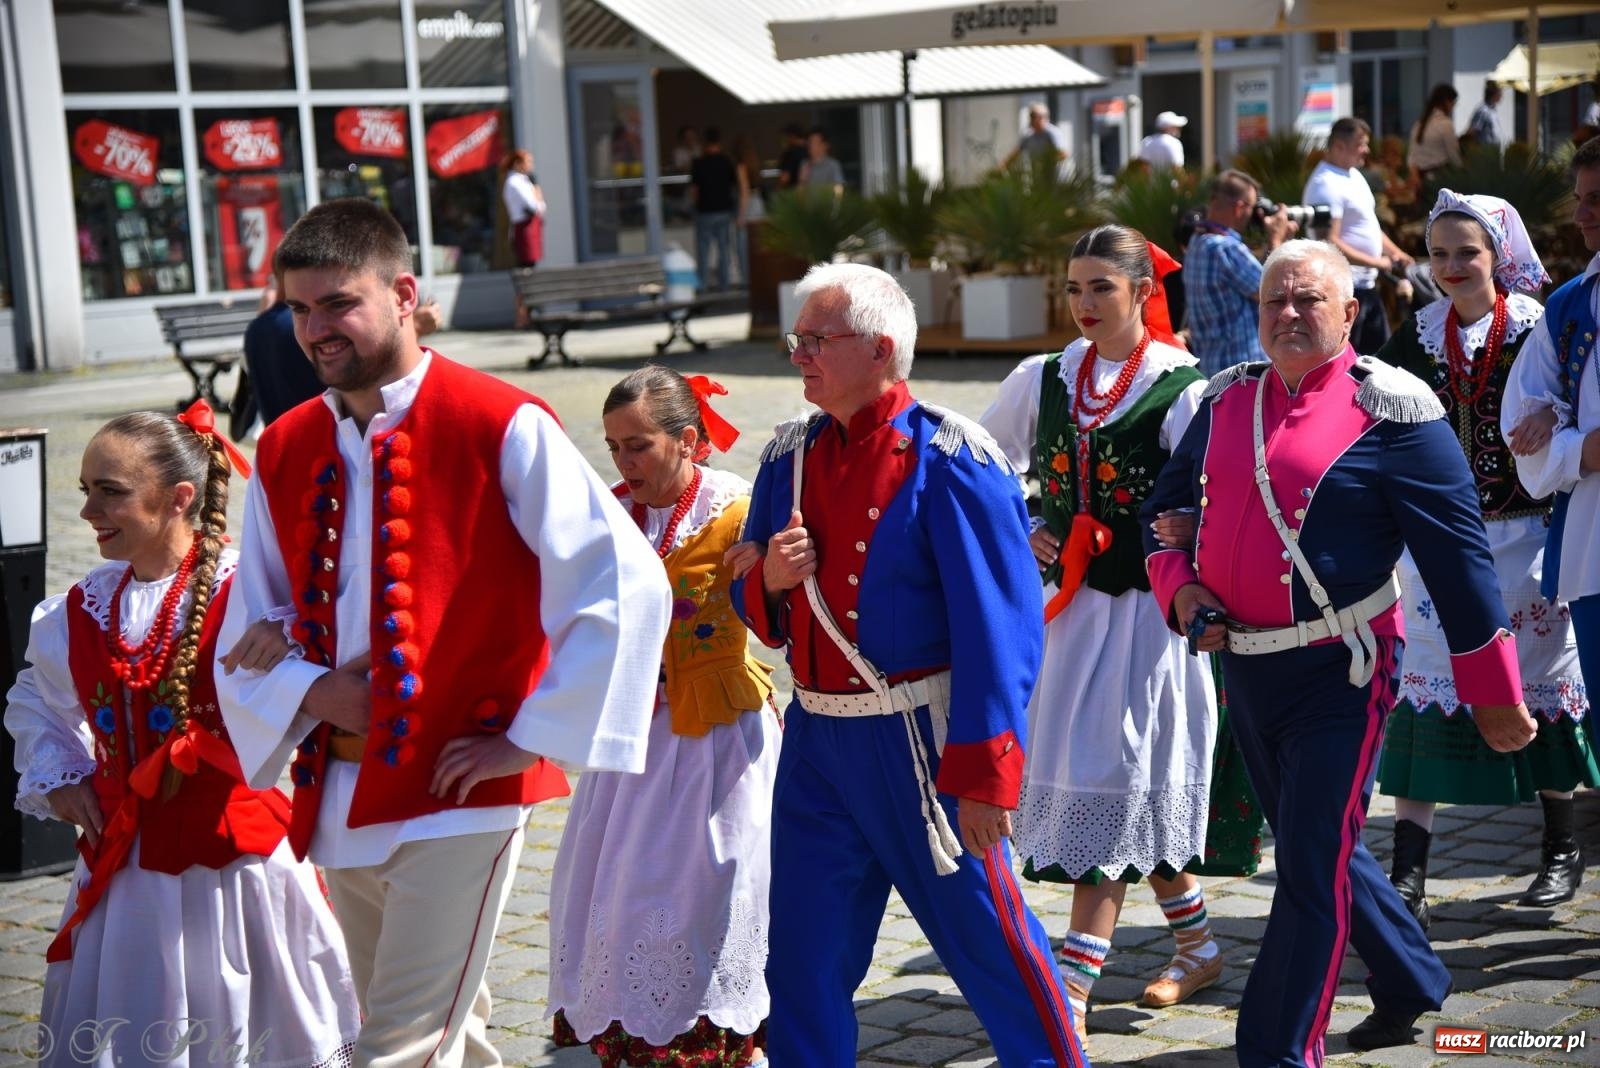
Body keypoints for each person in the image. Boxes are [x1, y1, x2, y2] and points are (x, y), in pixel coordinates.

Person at [215, 197, 672, 1066]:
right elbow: (250, 624)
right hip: (340, 791)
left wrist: (529, 738)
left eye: (339, 303)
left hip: (464, 788)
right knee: (446, 1032)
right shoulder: (284, 446)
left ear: (403, 294)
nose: (317, 330)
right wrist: (314, 689)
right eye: (300, 309)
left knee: (398, 1044)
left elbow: (621, 582)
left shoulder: (499, 419)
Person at [1141, 239, 1535, 1065]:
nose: (1287, 314)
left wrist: (1493, 690)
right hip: (1243, 666)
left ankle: (1278, 1050)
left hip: (1344, 668)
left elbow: (1458, 560)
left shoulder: (1395, 411)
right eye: (1272, 301)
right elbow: (1164, 517)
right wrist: (1183, 591)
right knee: (1319, 840)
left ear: (1350, 312)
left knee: (1308, 868)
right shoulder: (1222, 403)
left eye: (1307, 300)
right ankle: (1412, 977)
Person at [731, 263, 1086, 1066]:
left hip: (920, 744)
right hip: (817, 742)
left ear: (881, 348)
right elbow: (750, 603)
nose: (799, 355)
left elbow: (1003, 628)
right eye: (798, 339)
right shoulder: (788, 456)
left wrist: (987, 772)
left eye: (818, 340)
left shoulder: (952, 457)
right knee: (802, 963)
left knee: (991, 948)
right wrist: (770, 582)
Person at [4, 403, 360, 1065]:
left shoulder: (245, 601)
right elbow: (35, 702)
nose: (89, 512)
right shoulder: (78, 611)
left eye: (110, 492)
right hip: (122, 873)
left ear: (179, 499)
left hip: (232, 872)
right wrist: (61, 775)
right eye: (85, 492)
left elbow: (316, 691)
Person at [980, 225, 1223, 1035]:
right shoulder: (1044, 376)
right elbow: (983, 461)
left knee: (1116, 776)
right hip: (1068, 616)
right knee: (1107, 784)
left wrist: (1175, 537)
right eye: (1075, 288)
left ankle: (1071, 994)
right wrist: (1026, 520)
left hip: (1145, 621)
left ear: (1142, 293)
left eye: (1102, 289)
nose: (1084, 304)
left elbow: (1214, 496)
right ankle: (1196, 945)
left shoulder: (1180, 385)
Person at [1373, 189, 1594, 923]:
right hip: (1438, 544)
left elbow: (1572, 402)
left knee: (1540, 693)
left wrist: (1547, 417)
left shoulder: (1538, 325)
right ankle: (1410, 867)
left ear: (1498, 254)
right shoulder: (1418, 333)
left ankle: (1561, 849)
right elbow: (1378, 412)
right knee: (1426, 690)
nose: (1451, 266)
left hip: (1528, 535)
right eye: (1438, 254)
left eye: (1466, 252)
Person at [548, 366, 780, 1064]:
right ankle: (636, 1033)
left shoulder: (739, 510)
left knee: (712, 888)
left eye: (637, 446)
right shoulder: (612, 514)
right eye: (614, 446)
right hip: (632, 737)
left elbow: (778, 626)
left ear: (688, 441)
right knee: (620, 888)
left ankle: (727, 1037)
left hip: (716, 740)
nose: (622, 462)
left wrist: (772, 574)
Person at [1503, 135, 1600, 757]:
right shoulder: (1566, 310)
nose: (1584, 213)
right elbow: (1525, 440)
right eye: (1581, 198)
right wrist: (1584, 450)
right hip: (1593, 550)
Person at [242, 280, 442, 430]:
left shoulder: (257, 328)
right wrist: (414, 328)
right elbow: (372, 381)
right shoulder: (304, 329)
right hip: (325, 450)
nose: (314, 331)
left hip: (286, 447)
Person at [1304, 118, 1415, 355]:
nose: (1367, 150)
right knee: (1346, 364)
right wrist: (1379, 262)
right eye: (1361, 144)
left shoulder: (1353, 175)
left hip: (1366, 288)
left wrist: (1395, 253)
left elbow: (1369, 226)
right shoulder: (1325, 184)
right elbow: (1328, 243)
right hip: (1343, 290)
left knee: (1378, 362)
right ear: (1339, 146)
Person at [1183, 169, 1296, 376]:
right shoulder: (1225, 249)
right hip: (1244, 373)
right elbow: (1276, 291)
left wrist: (1273, 243)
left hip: (1214, 369)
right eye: (1253, 208)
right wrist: (1277, 240)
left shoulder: (1197, 242)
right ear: (1239, 208)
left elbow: (1253, 276)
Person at [690, 127, 738, 292]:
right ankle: (724, 285)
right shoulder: (727, 162)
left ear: (705, 143)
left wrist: (694, 207)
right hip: (724, 210)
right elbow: (733, 186)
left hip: (704, 210)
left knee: (703, 251)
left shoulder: (698, 163)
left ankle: (702, 285)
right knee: (723, 250)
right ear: (719, 143)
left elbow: (694, 190)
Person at [1407, 84, 1462, 181]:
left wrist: (1415, 177)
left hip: (1421, 178)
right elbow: (1454, 156)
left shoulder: (1418, 124)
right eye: (1453, 102)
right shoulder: (1445, 124)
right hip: (1440, 178)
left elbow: (1411, 157)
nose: (1453, 107)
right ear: (1446, 101)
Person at [501, 148, 545, 269]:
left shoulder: (524, 181)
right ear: (517, 164)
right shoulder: (514, 182)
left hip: (530, 225)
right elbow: (534, 205)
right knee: (526, 265)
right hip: (524, 227)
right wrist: (537, 192)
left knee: (532, 263)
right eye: (528, 162)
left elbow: (541, 207)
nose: (531, 165)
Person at [733, 133, 766, 287]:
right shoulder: (754, 162)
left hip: (748, 206)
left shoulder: (741, 166)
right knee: (758, 245)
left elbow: (744, 192)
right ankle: (759, 278)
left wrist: (740, 216)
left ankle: (747, 281)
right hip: (758, 203)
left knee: (743, 247)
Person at [1004, 103, 1069, 171]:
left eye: (1033, 116)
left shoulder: (1053, 133)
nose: (1031, 119)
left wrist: (1047, 162)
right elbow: (1015, 154)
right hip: (1038, 177)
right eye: (1031, 116)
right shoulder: (1028, 135)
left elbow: (1063, 154)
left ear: (1043, 117)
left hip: (1054, 178)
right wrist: (1001, 168)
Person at [798, 127, 844, 194]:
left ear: (825, 145)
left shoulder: (832, 165)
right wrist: (803, 180)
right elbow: (800, 192)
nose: (810, 145)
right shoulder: (804, 163)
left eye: (814, 142)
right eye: (809, 142)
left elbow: (838, 189)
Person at [1467, 80, 1504, 149]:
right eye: (1500, 92)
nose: (1502, 95)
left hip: (1492, 153)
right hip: (1484, 153)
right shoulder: (1483, 110)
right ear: (1494, 93)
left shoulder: (1492, 110)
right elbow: (1471, 132)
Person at [776, 122, 807, 189]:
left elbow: (784, 177)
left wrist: (778, 190)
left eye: (786, 136)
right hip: (809, 191)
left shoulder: (790, 153)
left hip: (792, 192)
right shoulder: (810, 151)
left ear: (792, 136)